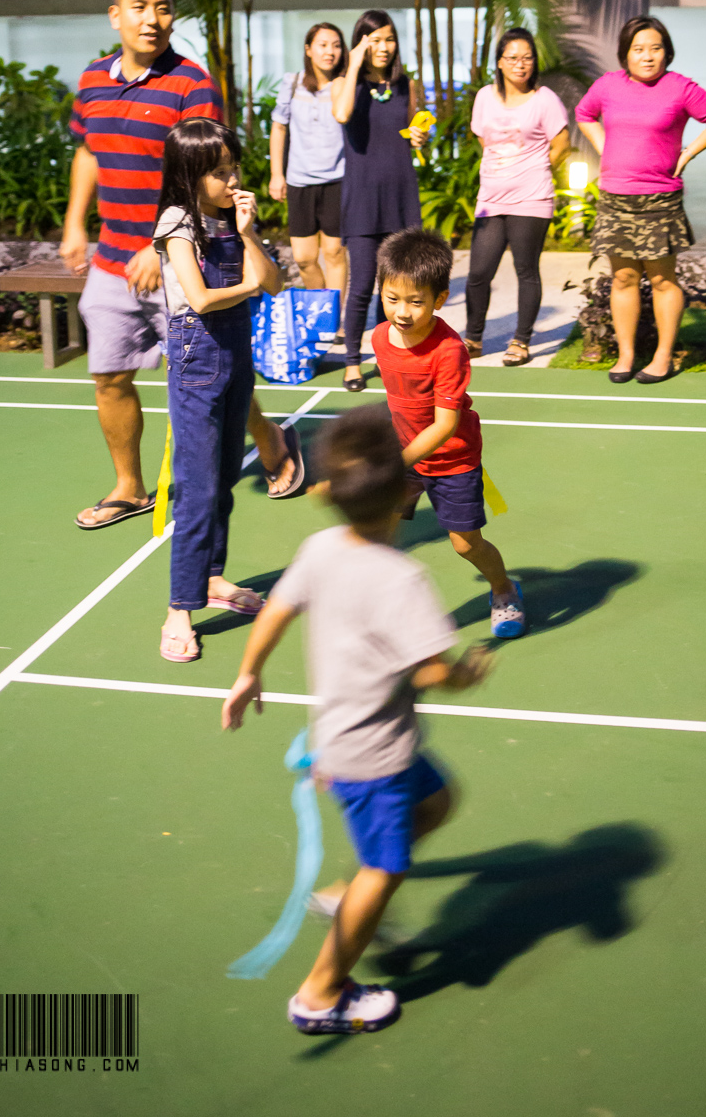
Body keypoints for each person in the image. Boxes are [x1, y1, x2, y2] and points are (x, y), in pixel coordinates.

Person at [221, 406, 492, 1036]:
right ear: (405, 494)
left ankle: (346, 898)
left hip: (348, 737)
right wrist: (465, 674)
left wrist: (248, 672)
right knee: (387, 869)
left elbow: (277, 609)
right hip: (373, 758)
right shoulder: (403, 580)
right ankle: (319, 994)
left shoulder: (320, 548)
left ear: (327, 492)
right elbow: (431, 671)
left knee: (437, 802)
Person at [62, 0, 300, 529]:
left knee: (212, 374)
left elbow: (204, 173)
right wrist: (74, 223)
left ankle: (270, 439)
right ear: (115, 15)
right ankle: (129, 487)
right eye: (140, 6)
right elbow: (87, 152)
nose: (152, 18)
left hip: (180, 257)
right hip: (110, 261)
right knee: (110, 377)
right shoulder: (92, 80)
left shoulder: (193, 85)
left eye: (164, 7)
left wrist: (159, 246)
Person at [153, 120, 282, 662]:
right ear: (191, 174)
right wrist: (250, 286)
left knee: (226, 475)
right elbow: (202, 298)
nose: (233, 181)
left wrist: (249, 233)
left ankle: (211, 577)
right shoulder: (177, 222)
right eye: (220, 172)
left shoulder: (233, 217)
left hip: (235, 351)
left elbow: (276, 281)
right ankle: (178, 609)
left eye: (234, 168)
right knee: (198, 489)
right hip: (196, 354)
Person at [372, 227, 526, 639]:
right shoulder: (380, 337)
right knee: (378, 531)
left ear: (439, 300)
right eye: (392, 298)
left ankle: (504, 589)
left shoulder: (449, 351)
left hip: (451, 459)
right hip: (404, 452)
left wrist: (395, 463)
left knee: (465, 544)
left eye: (415, 301)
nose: (402, 312)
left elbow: (444, 425)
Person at [575, 15, 706, 385]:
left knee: (663, 280)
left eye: (656, 48)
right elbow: (584, 114)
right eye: (638, 49)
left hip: (660, 199)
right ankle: (626, 355)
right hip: (615, 197)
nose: (647, 56)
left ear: (667, 53)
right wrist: (603, 146)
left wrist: (688, 153)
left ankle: (663, 356)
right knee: (623, 278)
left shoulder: (679, 87)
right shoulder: (607, 85)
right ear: (625, 54)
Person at [463, 27, 569, 366]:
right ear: (499, 62)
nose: (520, 64)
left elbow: (562, 144)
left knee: (526, 270)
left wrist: (535, 168)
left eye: (526, 58)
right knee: (479, 272)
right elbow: (484, 139)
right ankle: (473, 339)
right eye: (512, 58)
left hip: (531, 199)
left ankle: (521, 341)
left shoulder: (544, 99)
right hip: (491, 199)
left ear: (534, 62)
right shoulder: (485, 97)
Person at [332, 10, 425, 392]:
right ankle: (352, 361)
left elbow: (413, 129)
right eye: (375, 40)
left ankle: (389, 357)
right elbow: (341, 114)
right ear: (361, 43)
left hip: (400, 196)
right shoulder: (344, 83)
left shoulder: (405, 85)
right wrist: (354, 63)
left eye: (389, 39)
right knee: (361, 286)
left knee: (396, 287)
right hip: (362, 198)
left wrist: (419, 137)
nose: (384, 47)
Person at [269, 22, 348, 321]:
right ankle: (322, 308)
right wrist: (277, 174)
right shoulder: (292, 83)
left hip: (338, 180)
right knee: (304, 259)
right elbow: (279, 128)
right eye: (323, 45)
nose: (330, 52)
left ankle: (334, 320)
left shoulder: (345, 85)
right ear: (308, 49)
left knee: (335, 253)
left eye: (336, 45)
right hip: (299, 182)